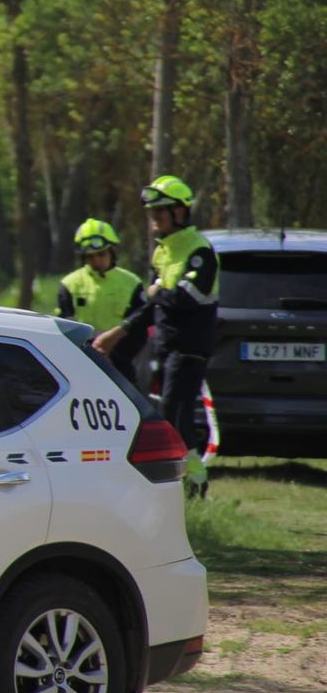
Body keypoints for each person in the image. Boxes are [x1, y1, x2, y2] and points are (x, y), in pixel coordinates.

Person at [93, 175, 219, 494]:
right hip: (165, 346)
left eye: (161, 211)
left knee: (175, 411)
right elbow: (154, 303)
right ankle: (185, 479)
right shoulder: (162, 253)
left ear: (180, 212)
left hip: (189, 347)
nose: (155, 218)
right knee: (169, 412)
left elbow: (185, 299)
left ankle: (193, 480)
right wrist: (117, 333)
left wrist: (158, 290)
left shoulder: (200, 251)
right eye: (152, 212)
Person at [55, 218, 147, 384]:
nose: (96, 260)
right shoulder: (69, 285)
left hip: (122, 363)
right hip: (82, 364)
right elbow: (65, 328)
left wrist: (115, 354)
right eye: (90, 256)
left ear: (112, 251)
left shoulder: (132, 283)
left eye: (101, 254)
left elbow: (139, 326)